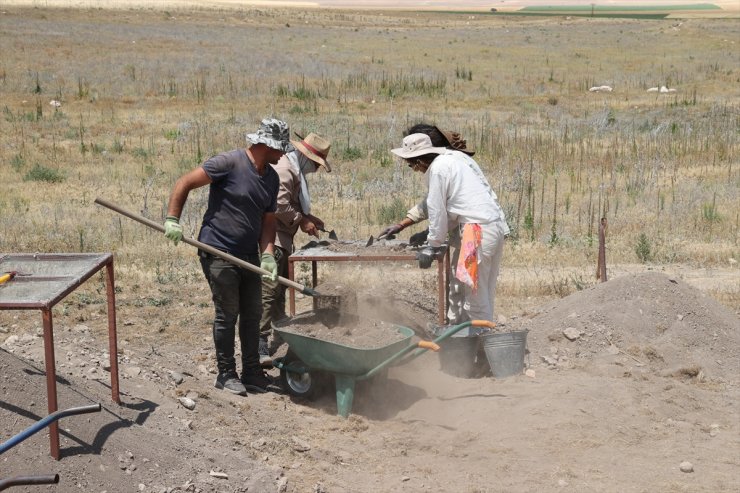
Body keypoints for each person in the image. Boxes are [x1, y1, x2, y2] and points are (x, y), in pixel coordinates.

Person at [163, 118, 293, 396]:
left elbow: (268, 221)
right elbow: (185, 182)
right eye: (279, 148)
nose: (282, 154)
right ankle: (226, 373)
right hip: (218, 250)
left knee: (253, 314)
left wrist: (268, 254)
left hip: (248, 255)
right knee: (228, 313)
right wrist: (173, 219)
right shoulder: (229, 163)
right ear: (264, 144)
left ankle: (251, 372)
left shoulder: (271, 178)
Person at [389, 129, 508, 335]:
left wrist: (432, 245)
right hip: (492, 228)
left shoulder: (438, 169)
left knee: (475, 297)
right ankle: (475, 343)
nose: (412, 168)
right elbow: (459, 207)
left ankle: (482, 354)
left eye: (411, 164)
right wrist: (426, 232)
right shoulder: (456, 161)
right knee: (483, 291)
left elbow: (436, 210)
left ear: (419, 160)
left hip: (475, 233)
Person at [259, 132, 332, 364]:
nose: (317, 169)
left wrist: (308, 216)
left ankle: (280, 336)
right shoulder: (284, 169)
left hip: (283, 239)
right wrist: (302, 221)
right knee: (269, 293)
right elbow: (280, 205)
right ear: (305, 156)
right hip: (274, 240)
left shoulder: (293, 168)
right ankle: (260, 344)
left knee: (278, 293)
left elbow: (289, 202)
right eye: (316, 164)